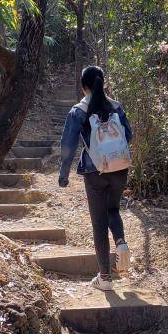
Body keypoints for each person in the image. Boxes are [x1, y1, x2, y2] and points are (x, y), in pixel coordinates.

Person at [58, 66, 133, 291]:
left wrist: (63, 175)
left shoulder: (78, 111)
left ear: (83, 86)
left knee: (99, 223)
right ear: (104, 82)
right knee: (113, 211)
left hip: (95, 172)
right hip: (120, 168)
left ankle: (105, 278)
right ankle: (121, 242)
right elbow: (128, 135)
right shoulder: (116, 107)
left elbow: (68, 145)